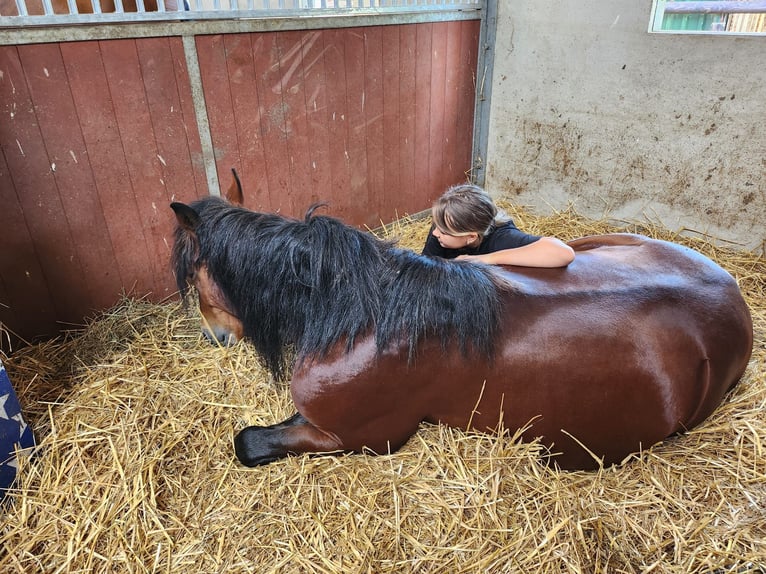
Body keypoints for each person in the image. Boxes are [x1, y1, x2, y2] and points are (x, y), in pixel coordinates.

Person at [421, 184, 575, 268]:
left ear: (471, 237)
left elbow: (563, 253)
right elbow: (426, 268)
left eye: (443, 231)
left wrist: (484, 259)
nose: (435, 233)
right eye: (437, 226)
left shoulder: (501, 238)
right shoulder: (445, 226)